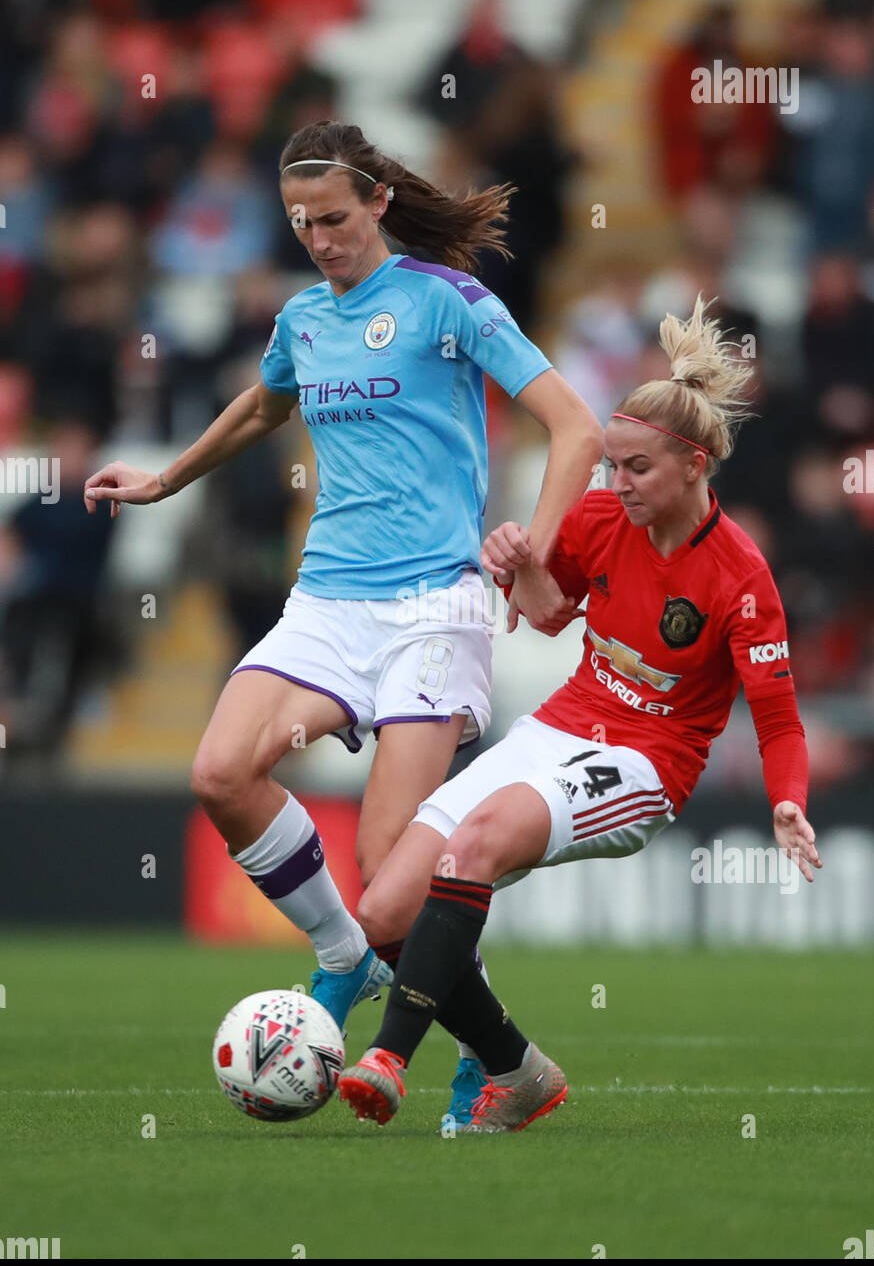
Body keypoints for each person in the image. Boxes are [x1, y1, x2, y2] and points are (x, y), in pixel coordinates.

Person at [83, 120, 605, 1119]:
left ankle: (492, 1059)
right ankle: (345, 959)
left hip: (432, 610)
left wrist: (535, 544)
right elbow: (261, 406)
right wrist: (165, 479)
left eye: (333, 218)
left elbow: (574, 422)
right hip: (326, 599)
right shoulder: (303, 320)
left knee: (391, 875)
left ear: (376, 202)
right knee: (222, 772)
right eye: (298, 223)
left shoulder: (447, 301)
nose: (319, 239)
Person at [338, 295, 823, 1132]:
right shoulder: (601, 518)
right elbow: (550, 608)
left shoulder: (742, 577)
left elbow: (779, 721)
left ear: (696, 466)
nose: (615, 483)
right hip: (561, 724)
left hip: (647, 764)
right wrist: (510, 558)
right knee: (383, 908)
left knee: (477, 843)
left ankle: (388, 1057)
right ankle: (517, 1070)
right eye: (609, 465)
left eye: (635, 468)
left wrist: (789, 799)